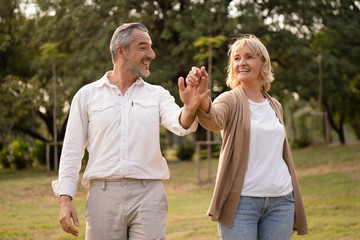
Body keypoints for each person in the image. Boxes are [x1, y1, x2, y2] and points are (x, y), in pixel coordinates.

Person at [52, 22, 209, 240]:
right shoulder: (87, 96)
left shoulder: (157, 94)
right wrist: (65, 199)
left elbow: (179, 123)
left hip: (149, 196)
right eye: (143, 47)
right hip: (103, 196)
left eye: (151, 47)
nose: (152, 54)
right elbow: (71, 151)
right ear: (121, 51)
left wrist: (190, 107)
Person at [186, 34, 308, 239]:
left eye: (249, 56)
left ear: (263, 63)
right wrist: (202, 97)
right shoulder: (230, 99)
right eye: (236, 58)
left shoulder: (274, 105)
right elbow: (213, 120)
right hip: (241, 203)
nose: (241, 62)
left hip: (281, 200)